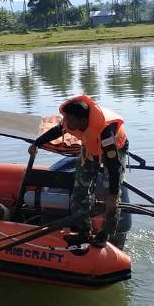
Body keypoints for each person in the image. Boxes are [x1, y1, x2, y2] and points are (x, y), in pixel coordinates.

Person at [29, 95, 128, 247]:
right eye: (65, 118)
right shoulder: (72, 121)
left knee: (112, 196)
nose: (65, 122)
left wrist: (113, 194)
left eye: (69, 119)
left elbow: (113, 165)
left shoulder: (105, 132)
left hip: (115, 150)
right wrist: (37, 143)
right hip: (90, 146)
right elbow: (56, 131)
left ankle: (106, 233)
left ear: (82, 121)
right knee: (80, 189)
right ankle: (84, 232)